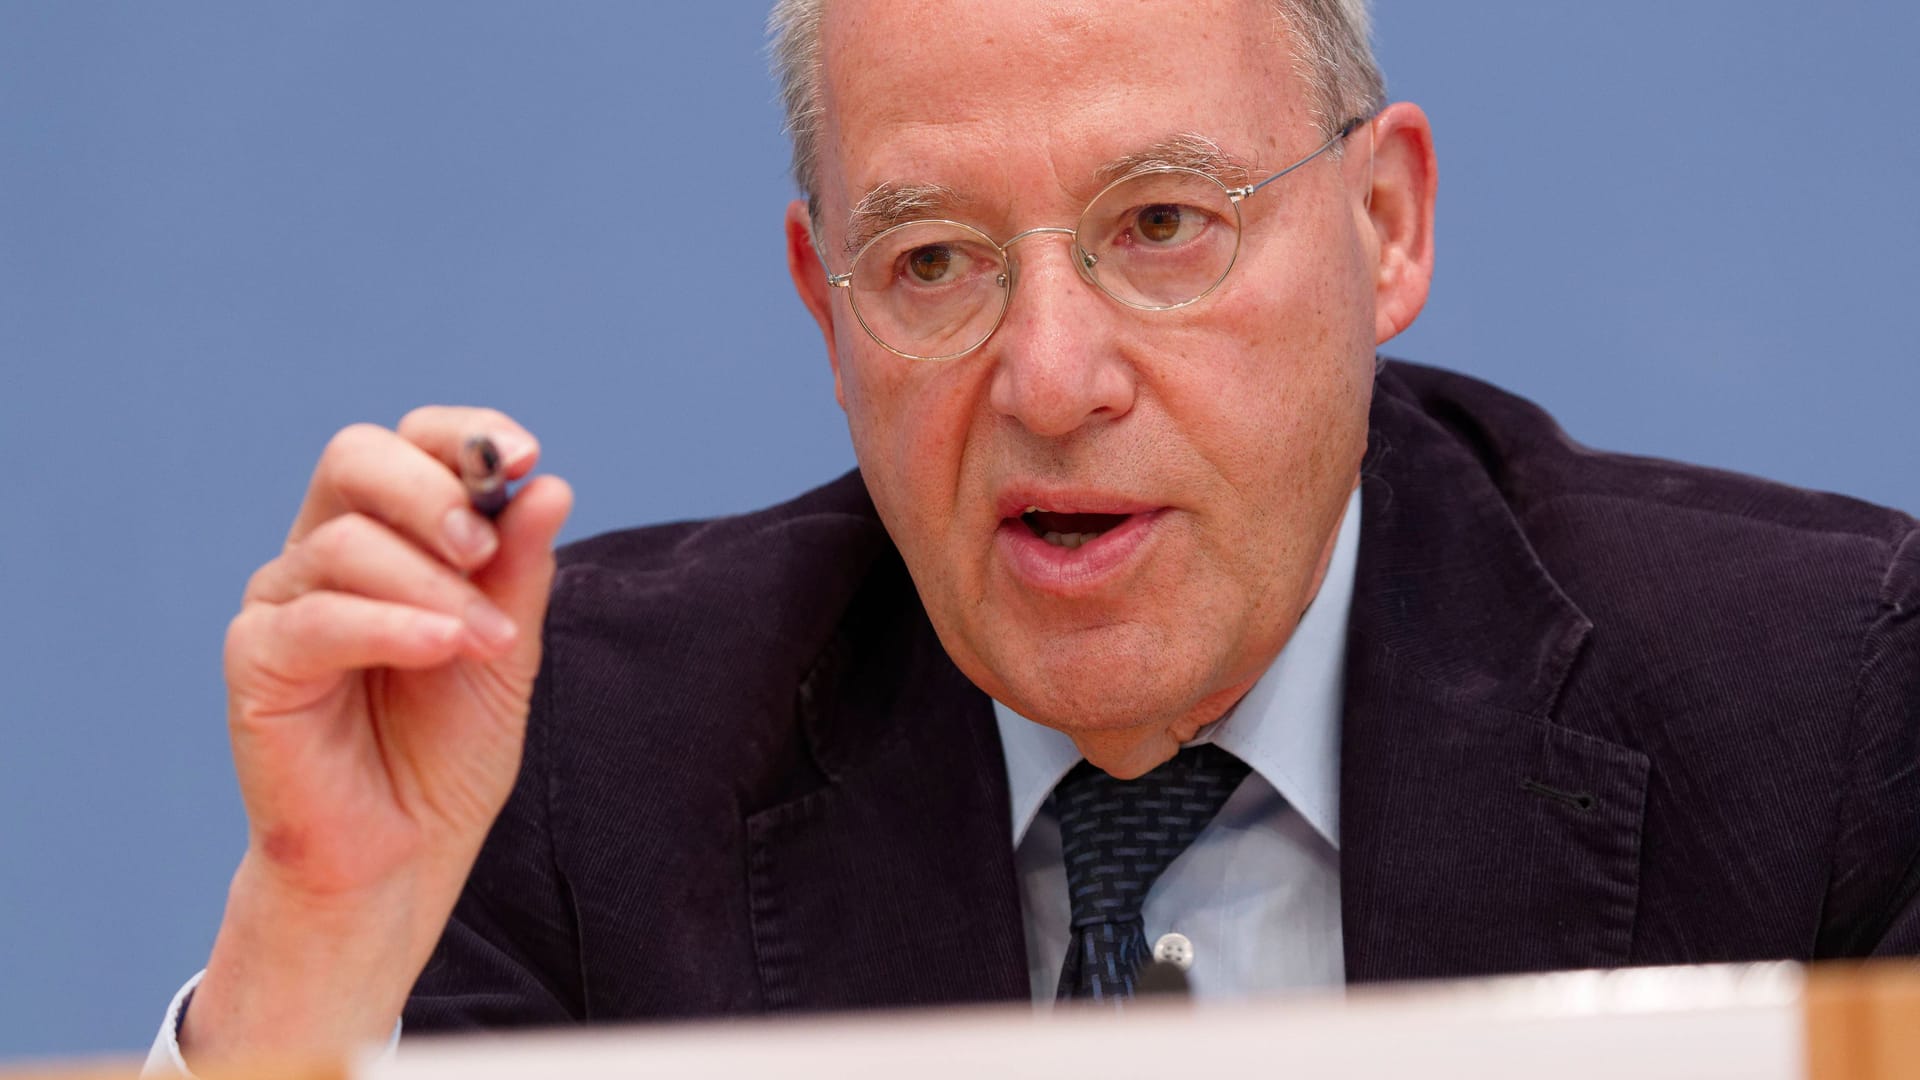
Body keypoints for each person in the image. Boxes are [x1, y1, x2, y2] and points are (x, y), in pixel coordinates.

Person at [147, 0, 1920, 1075]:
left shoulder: (1823, 704)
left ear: (1385, 227)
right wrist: (311, 957)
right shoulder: (561, 750)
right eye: (932, 263)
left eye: (1164, 223)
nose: (1051, 378)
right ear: (825, 312)